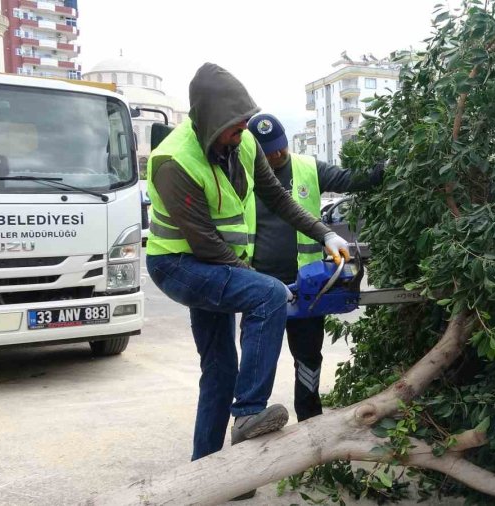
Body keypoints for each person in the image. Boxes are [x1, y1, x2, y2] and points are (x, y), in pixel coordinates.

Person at [144, 63, 351, 464]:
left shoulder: (244, 145)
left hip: (217, 264)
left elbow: (278, 198)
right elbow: (205, 245)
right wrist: (264, 286)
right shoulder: (173, 161)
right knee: (269, 295)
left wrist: (324, 233)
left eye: (244, 128)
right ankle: (249, 411)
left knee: (220, 371)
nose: (242, 136)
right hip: (178, 266)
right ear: (210, 123)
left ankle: (208, 471)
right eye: (235, 129)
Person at [245, 113, 384, 422]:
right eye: (268, 150)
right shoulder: (242, 174)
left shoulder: (308, 168)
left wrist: (383, 171)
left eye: (280, 146)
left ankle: (310, 420)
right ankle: (250, 420)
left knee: (308, 357)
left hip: (307, 287)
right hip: (258, 285)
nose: (276, 154)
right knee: (257, 359)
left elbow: (349, 178)